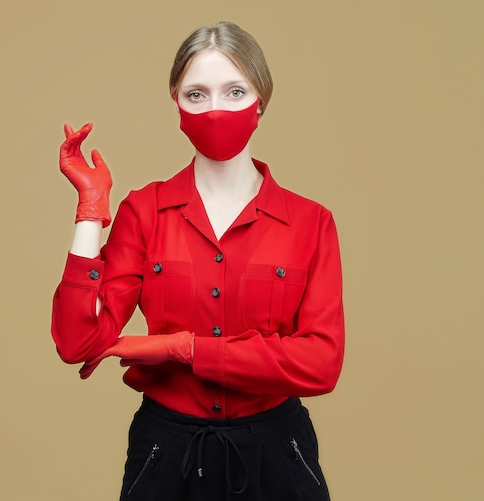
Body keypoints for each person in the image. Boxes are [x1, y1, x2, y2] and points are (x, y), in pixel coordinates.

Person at [52, 21, 344, 500]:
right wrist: (89, 212)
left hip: (277, 455)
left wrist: (184, 349)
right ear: (176, 103)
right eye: (197, 94)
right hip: (166, 454)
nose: (215, 110)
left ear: (260, 100)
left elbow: (321, 364)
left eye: (234, 91)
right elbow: (77, 341)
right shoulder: (143, 212)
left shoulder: (311, 223)